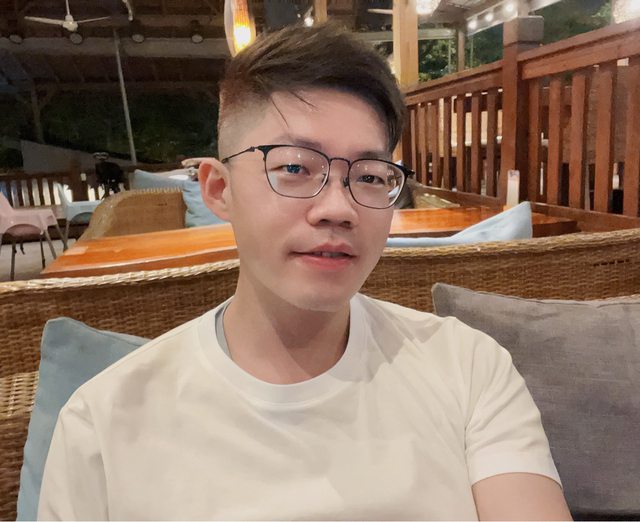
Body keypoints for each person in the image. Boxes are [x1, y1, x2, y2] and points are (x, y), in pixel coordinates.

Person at [38, 23, 571, 520]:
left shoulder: (468, 367)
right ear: (219, 189)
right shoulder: (102, 423)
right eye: (294, 167)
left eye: (369, 176)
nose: (338, 208)